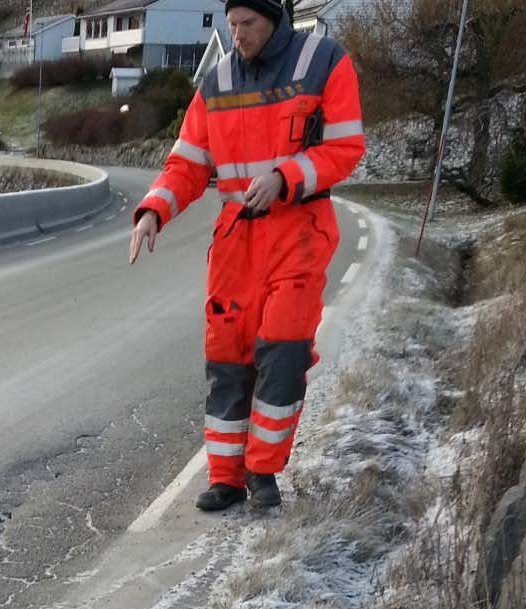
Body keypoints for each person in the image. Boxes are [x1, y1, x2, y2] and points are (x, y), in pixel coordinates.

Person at [129, 0, 366, 511]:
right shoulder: (216, 83)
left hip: (298, 227)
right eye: (231, 24)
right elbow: (188, 163)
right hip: (236, 236)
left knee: (283, 351)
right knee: (227, 355)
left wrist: (287, 177)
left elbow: (345, 147)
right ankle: (226, 478)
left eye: (248, 24)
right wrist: (153, 210)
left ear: (274, 17)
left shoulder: (323, 62)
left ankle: (263, 472)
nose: (238, 34)